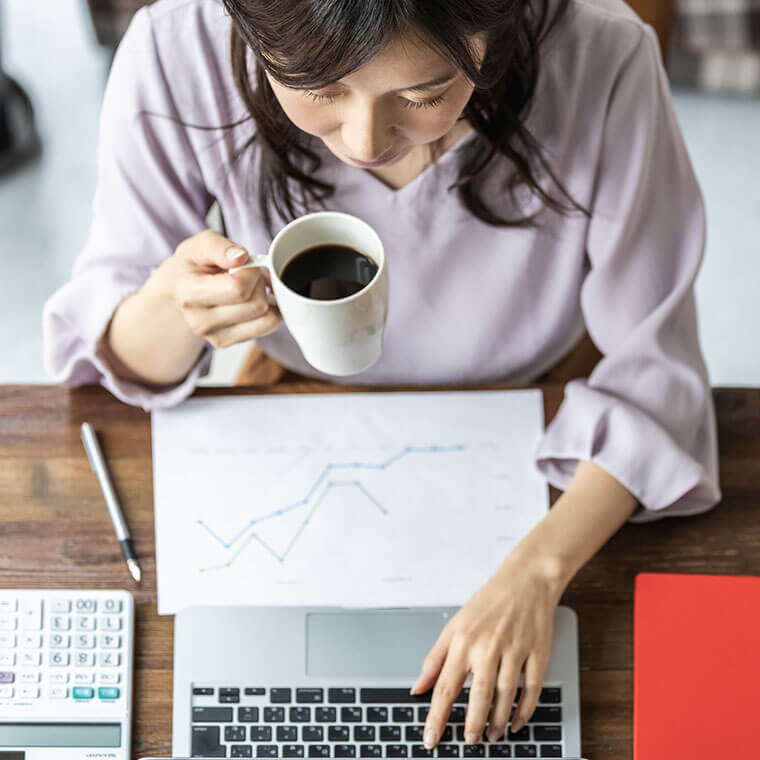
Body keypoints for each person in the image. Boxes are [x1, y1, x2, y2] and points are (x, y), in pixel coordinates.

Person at [42, 0, 720, 747]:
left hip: (543, 400)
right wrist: (176, 306)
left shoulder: (604, 56)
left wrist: (537, 573)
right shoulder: (178, 47)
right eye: (318, 88)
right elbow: (113, 357)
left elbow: (657, 376)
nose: (363, 142)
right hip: (292, 393)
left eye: (426, 94)